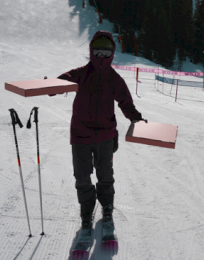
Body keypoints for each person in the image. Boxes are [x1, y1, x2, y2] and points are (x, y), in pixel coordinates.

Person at [49, 30, 144, 229]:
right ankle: (86, 208)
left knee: (105, 175)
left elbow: (125, 102)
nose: (101, 57)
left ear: (112, 53)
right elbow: (66, 78)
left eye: (105, 53)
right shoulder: (82, 73)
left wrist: (136, 118)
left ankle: (107, 206)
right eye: (98, 52)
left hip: (105, 135)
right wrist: (54, 85)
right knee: (82, 176)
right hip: (80, 134)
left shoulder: (114, 79)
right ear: (92, 52)